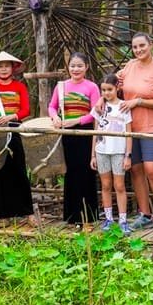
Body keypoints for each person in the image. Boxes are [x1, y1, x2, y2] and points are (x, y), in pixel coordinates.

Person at [116, 33, 153, 236]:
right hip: (130, 126)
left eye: (142, 45)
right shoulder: (130, 66)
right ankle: (145, 214)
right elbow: (116, 88)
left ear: (150, 45)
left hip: (151, 125)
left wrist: (139, 101)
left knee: (152, 169)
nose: (139, 50)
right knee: (136, 169)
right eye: (134, 47)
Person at [0, 50, 36, 225]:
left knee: (19, 169)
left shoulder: (19, 87)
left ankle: (27, 212)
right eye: (0, 66)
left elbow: (26, 110)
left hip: (14, 129)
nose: (3, 69)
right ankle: (4, 215)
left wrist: (11, 117)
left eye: (6, 66)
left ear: (13, 68)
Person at [49, 52, 101, 226]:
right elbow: (52, 106)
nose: (76, 69)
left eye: (80, 65)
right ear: (68, 67)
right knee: (70, 173)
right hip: (67, 134)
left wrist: (77, 120)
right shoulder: (61, 86)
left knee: (86, 172)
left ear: (86, 67)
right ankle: (72, 216)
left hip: (85, 133)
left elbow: (94, 113)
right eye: (73, 66)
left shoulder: (92, 87)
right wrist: (55, 118)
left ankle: (89, 217)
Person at [91, 74, 134, 236]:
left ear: (117, 88)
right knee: (106, 185)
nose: (106, 93)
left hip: (118, 151)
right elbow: (95, 133)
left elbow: (129, 133)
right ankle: (109, 219)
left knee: (120, 186)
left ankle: (123, 220)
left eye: (110, 89)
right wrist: (93, 155)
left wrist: (127, 155)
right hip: (102, 151)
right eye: (103, 90)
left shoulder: (124, 106)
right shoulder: (98, 108)